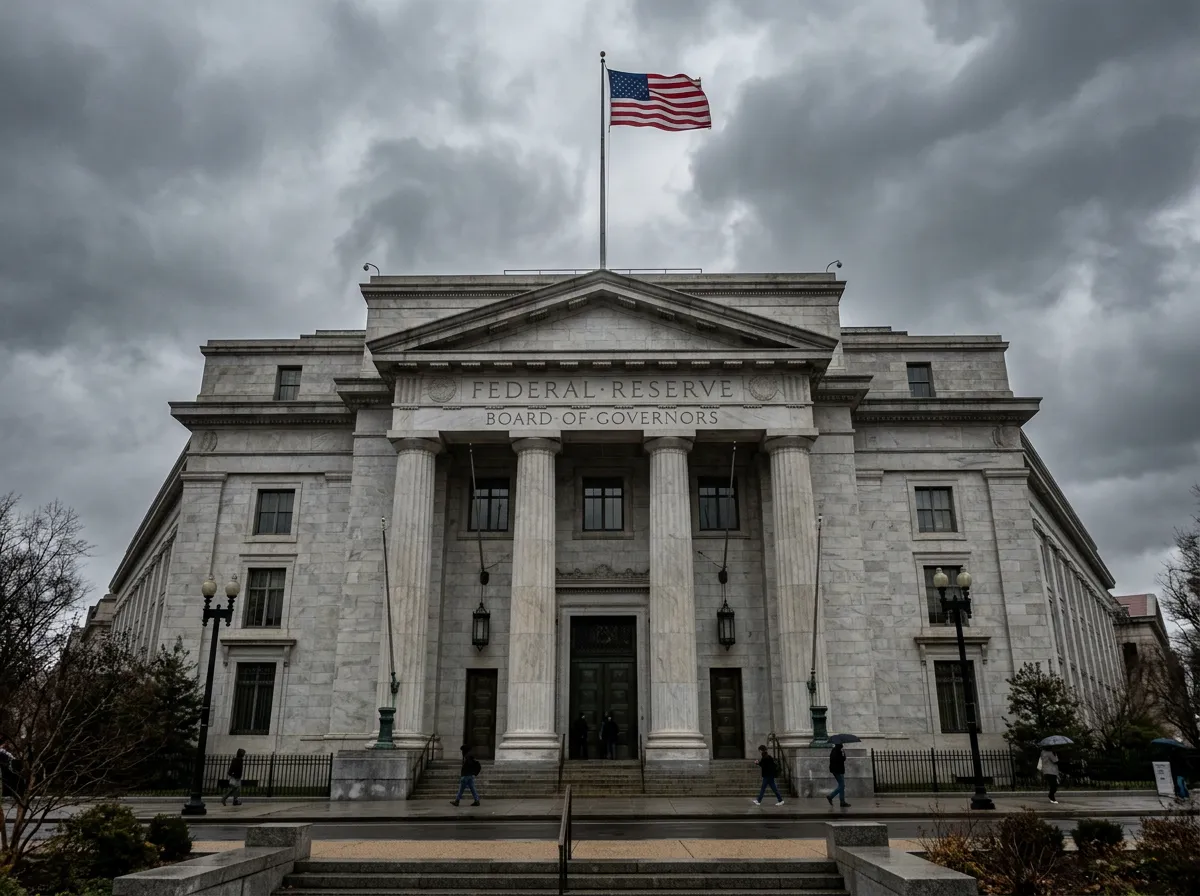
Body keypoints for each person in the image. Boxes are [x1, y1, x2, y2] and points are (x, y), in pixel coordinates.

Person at [826, 743, 850, 807]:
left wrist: (843, 753)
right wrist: (842, 754)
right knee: (842, 785)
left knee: (841, 785)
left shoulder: (836, 750)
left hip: (838, 770)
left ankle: (842, 802)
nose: (842, 745)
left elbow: (842, 759)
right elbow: (841, 759)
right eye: (841, 745)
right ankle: (831, 796)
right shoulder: (837, 751)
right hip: (838, 770)